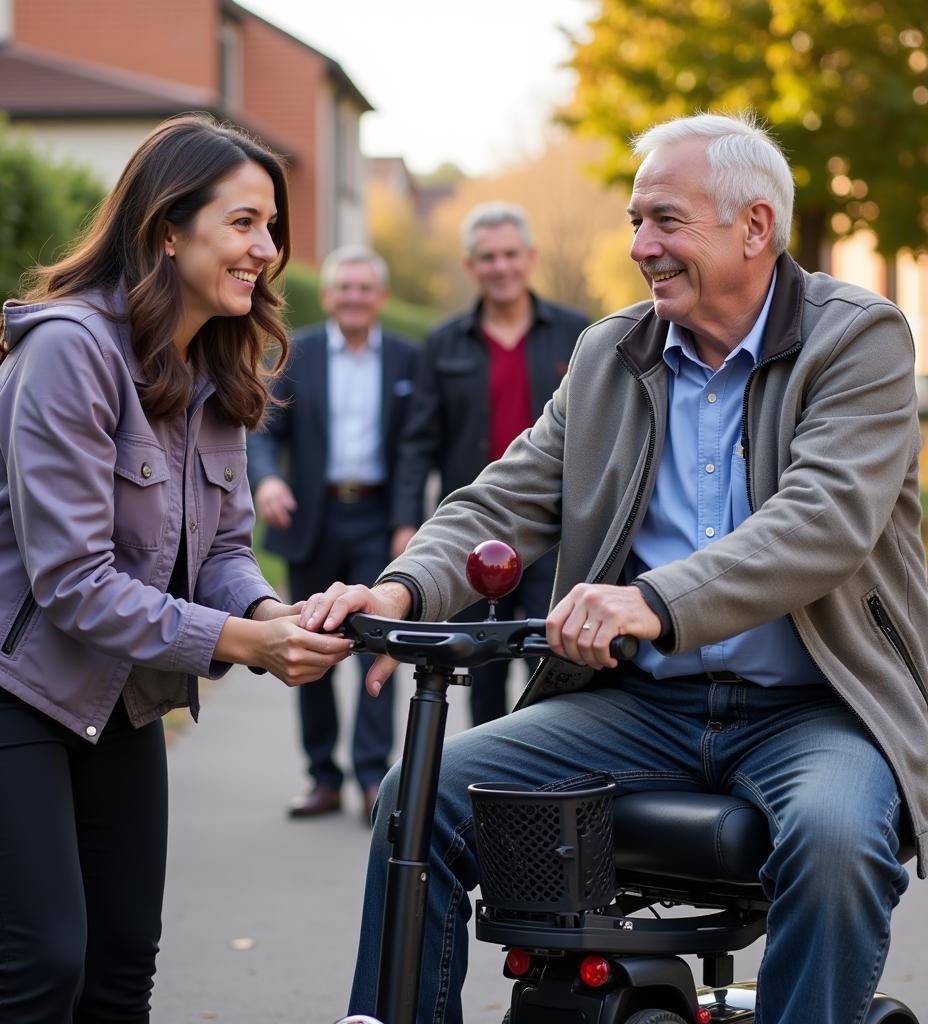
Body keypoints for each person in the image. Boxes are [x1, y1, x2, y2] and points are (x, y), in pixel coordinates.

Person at [304, 112, 928, 1024]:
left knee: (836, 843)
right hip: (641, 708)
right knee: (418, 796)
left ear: (755, 226)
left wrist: (650, 601)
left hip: (817, 710)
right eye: (636, 221)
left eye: (665, 221)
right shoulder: (610, 353)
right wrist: (400, 585)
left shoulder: (859, 341)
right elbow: (501, 500)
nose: (641, 246)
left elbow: (820, 523)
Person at [0, 113, 353, 1023]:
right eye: (244, 223)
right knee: (39, 966)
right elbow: (71, 580)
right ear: (166, 229)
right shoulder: (70, 351)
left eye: (273, 229)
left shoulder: (215, 366)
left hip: (115, 689)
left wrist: (277, 614)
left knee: (119, 970)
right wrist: (241, 642)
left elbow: (224, 551)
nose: (266, 249)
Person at [391, 202, 589, 725]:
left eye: (509, 255)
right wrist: (408, 524)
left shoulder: (578, 335)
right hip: (474, 534)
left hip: (558, 530)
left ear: (530, 258)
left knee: (554, 663)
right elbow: (419, 441)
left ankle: (548, 787)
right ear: (470, 266)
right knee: (479, 666)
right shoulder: (443, 342)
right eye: (487, 257)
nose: (500, 266)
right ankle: (486, 789)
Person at [247, 245, 419, 822]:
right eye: (343, 287)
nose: (353, 297)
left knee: (378, 643)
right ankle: (322, 777)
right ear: (327, 296)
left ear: (380, 298)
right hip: (311, 521)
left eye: (364, 288)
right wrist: (267, 480)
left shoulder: (406, 359)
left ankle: (374, 780)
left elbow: (414, 448)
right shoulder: (296, 355)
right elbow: (263, 429)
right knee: (308, 640)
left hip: (377, 518)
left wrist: (406, 520)